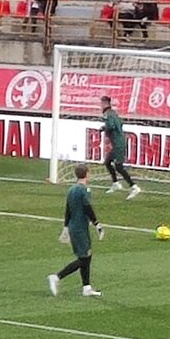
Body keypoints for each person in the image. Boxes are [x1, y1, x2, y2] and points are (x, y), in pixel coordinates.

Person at [48, 164, 104, 298]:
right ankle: (56, 277)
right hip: (80, 229)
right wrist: (97, 224)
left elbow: (68, 210)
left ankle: (86, 287)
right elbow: (87, 208)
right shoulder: (84, 190)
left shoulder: (71, 190)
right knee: (84, 259)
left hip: (74, 227)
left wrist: (66, 227)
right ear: (87, 174)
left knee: (86, 256)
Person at [99, 95, 141, 199]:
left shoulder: (107, 114)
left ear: (105, 104)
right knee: (107, 162)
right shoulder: (114, 113)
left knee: (118, 166)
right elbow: (120, 124)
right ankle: (115, 183)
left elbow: (111, 126)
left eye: (101, 103)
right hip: (119, 142)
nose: (100, 105)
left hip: (118, 144)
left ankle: (134, 187)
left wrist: (103, 128)